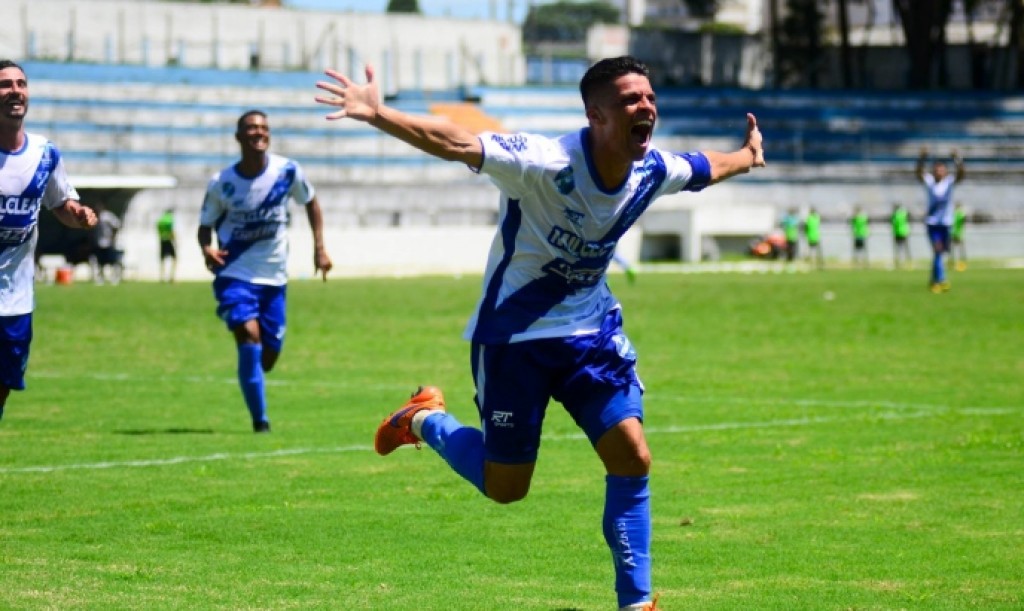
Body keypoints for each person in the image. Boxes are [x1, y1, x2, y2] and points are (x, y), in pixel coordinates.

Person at [315, 55, 765, 610]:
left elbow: (705, 167)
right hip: (514, 340)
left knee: (632, 456)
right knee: (507, 488)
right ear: (596, 116)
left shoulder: (652, 170)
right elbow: (459, 142)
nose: (645, 107)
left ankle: (637, 602)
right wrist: (378, 113)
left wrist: (746, 156)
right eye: (630, 100)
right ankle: (424, 420)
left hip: (591, 334)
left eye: (648, 97)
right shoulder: (545, 162)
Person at [198, 109, 333, 432]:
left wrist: (319, 247)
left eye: (263, 128)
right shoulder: (222, 183)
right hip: (235, 274)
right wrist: (206, 248)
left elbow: (311, 202)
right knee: (249, 335)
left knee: (268, 356)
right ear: (239, 137)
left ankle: (253, 376)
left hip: (274, 278)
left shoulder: (287, 171)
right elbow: (204, 227)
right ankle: (261, 422)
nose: (259, 132)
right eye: (251, 128)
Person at [0, 59, 97, 421]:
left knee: (4, 385)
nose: (15, 90)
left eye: (20, 84)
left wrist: (80, 215)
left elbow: (61, 203)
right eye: (5, 84)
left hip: (15, 299)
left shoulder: (44, 154)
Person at [916, 148, 965, 292]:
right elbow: (918, 173)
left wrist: (958, 159)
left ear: (945, 172)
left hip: (946, 224)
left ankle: (933, 280)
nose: (938, 172)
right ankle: (941, 280)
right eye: (936, 170)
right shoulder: (930, 182)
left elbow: (961, 175)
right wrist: (921, 159)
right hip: (933, 224)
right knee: (938, 251)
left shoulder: (948, 182)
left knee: (941, 252)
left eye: (941, 170)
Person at [90, 203, 123, 285]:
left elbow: (117, 225)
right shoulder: (95, 217)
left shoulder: (107, 216)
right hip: (98, 243)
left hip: (108, 243)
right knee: (100, 262)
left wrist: (113, 237)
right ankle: (101, 278)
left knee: (112, 261)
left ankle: (114, 278)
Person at [156, 207, 177, 282]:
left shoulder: (161, 219)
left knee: (162, 259)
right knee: (174, 258)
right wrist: (175, 239)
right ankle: (171, 277)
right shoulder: (170, 219)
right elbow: (171, 230)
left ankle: (162, 277)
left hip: (162, 240)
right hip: (168, 240)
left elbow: (158, 228)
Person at [890, 202, 912, 269]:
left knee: (898, 247)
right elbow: (909, 217)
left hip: (898, 232)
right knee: (905, 247)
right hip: (904, 232)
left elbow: (892, 223)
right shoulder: (904, 213)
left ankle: (900, 260)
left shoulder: (894, 214)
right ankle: (907, 260)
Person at [950, 202, 968, 271]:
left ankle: (951, 262)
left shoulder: (953, 213)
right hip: (959, 233)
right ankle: (962, 263)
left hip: (953, 232)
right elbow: (964, 220)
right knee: (961, 249)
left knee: (952, 249)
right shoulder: (960, 213)